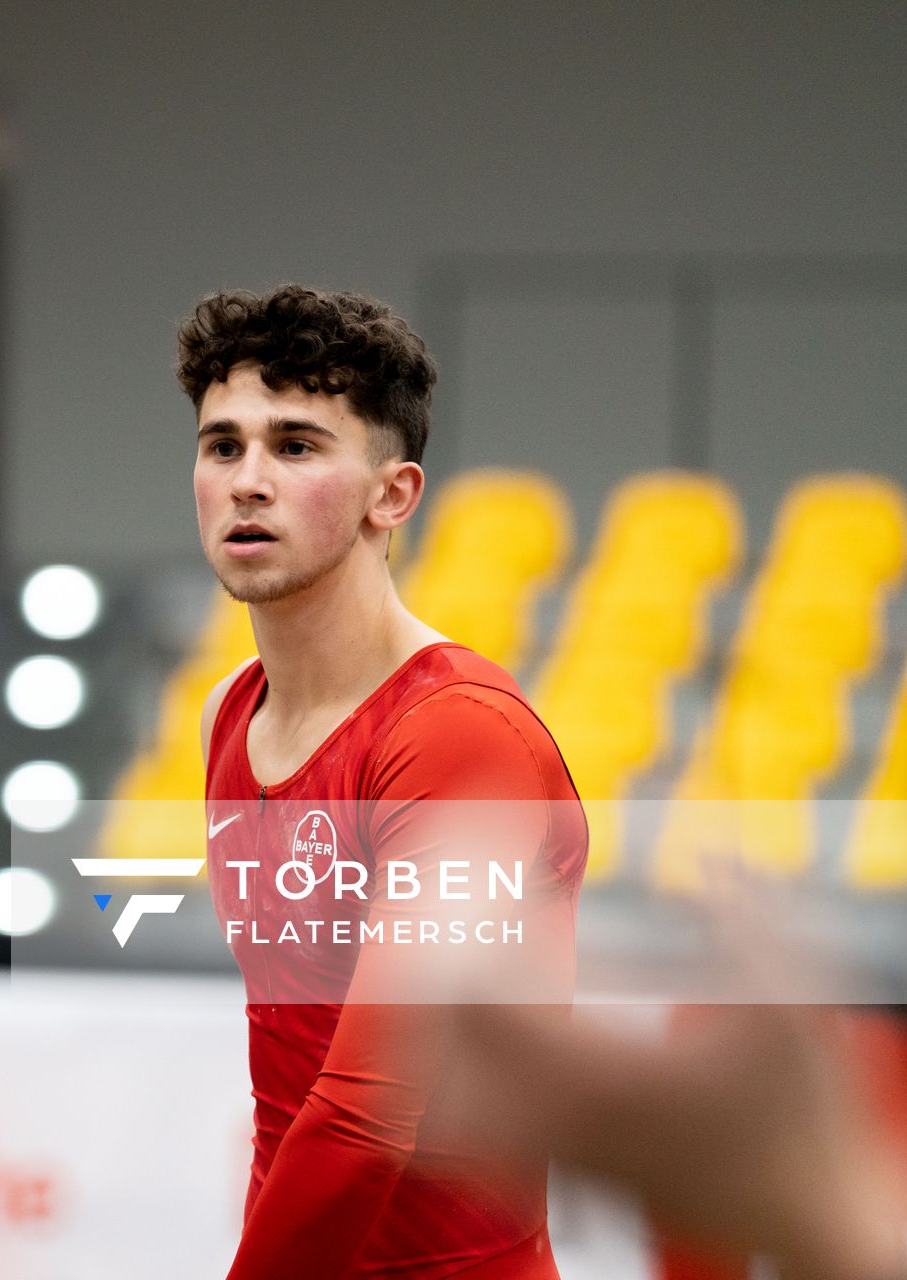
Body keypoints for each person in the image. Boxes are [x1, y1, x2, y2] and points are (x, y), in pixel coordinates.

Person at [185, 285, 588, 1278]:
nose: (248, 480)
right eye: (223, 444)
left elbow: (367, 1119)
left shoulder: (458, 738)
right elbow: (286, 1088)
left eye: (297, 445)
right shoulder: (229, 713)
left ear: (393, 493)